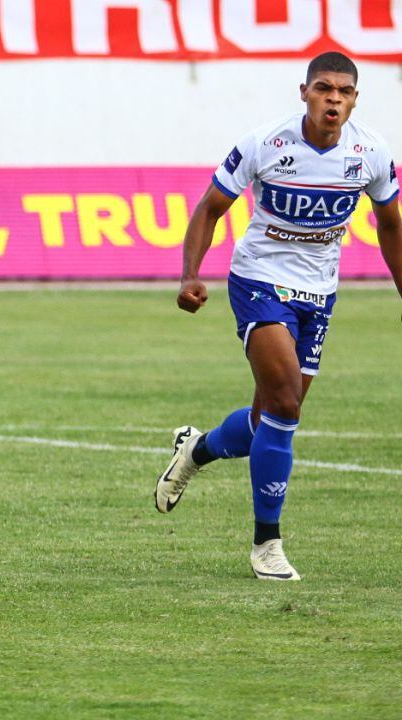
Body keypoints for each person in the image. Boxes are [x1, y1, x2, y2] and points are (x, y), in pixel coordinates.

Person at [155, 52, 401, 581]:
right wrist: (189, 275)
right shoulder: (266, 143)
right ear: (304, 92)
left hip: (320, 293)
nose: (332, 98)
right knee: (286, 404)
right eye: (323, 88)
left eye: (344, 91)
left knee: (265, 420)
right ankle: (267, 543)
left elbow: (391, 226)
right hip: (259, 281)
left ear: (355, 99)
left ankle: (195, 449)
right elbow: (210, 208)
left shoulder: (372, 153)